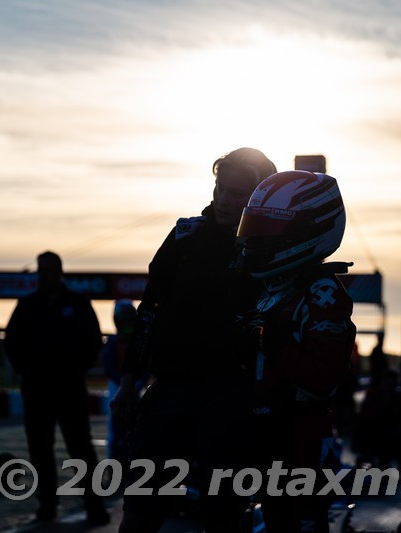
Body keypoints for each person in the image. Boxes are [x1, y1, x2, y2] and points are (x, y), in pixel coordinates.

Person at [111, 147, 277, 533]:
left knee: (223, 511)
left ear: (257, 198)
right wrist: (130, 380)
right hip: (170, 388)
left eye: (237, 194)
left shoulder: (267, 250)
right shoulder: (184, 236)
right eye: (222, 188)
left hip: (231, 393)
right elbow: (149, 309)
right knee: (140, 507)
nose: (224, 200)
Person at [235, 170, 356, 532]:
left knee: (298, 525)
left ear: (308, 230)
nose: (255, 239)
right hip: (258, 430)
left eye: (266, 231)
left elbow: (324, 382)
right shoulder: (266, 287)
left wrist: (273, 346)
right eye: (253, 227)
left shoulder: (322, 295)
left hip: (298, 434)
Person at [3, 251, 110, 525]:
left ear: (59, 272)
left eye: (49, 271)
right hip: (36, 388)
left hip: (69, 387)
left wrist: (77, 369)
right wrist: (25, 370)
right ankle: (47, 505)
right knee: (40, 449)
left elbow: (93, 341)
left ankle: (93, 505)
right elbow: (12, 341)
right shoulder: (28, 305)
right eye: (41, 271)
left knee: (81, 448)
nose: (44, 276)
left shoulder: (78, 303)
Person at [102, 299, 139, 465]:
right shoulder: (112, 342)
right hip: (117, 387)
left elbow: (146, 367)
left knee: (136, 426)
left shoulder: (139, 343)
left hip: (135, 388)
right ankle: (115, 463)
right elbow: (109, 368)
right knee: (115, 429)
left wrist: (135, 384)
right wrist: (123, 384)